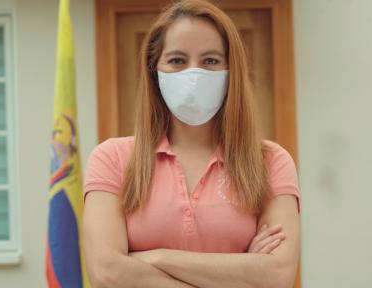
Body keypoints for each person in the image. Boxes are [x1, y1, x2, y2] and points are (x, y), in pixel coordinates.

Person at [83, 0, 300, 287]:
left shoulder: (271, 161)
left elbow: (276, 275)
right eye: (177, 60)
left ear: (231, 71)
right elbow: (107, 273)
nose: (193, 75)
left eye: (210, 60)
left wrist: (155, 257)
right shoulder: (112, 158)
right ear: (154, 70)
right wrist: (240, 270)